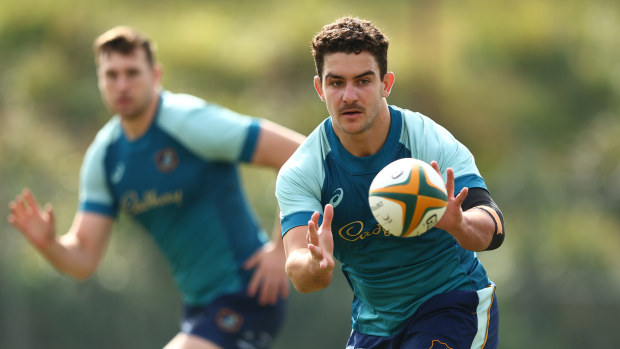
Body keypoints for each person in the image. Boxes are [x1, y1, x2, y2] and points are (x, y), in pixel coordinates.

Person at [7, 26, 305, 349]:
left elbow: (298, 152)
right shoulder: (105, 157)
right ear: (100, 81)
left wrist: (281, 249)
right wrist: (50, 244)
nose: (122, 85)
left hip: (248, 294)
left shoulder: (189, 121)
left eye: (132, 73)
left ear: (156, 75)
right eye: (111, 75)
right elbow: (83, 258)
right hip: (199, 308)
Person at [275, 17, 505, 349]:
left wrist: (461, 224)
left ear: (386, 84)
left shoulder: (429, 143)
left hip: (453, 305)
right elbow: (298, 268)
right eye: (336, 82)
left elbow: (494, 228)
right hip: (373, 324)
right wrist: (316, 265)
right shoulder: (304, 169)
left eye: (363, 81)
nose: (349, 95)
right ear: (319, 88)